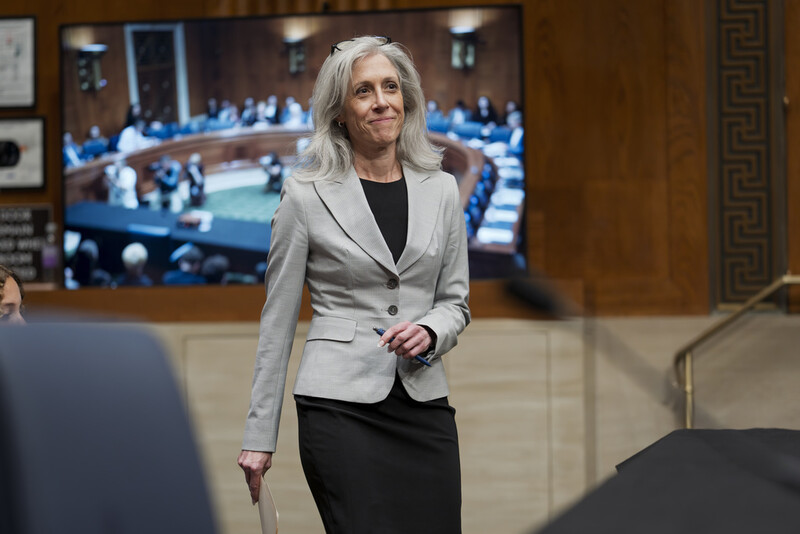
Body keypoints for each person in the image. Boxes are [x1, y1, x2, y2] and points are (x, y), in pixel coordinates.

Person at [237, 35, 471, 533]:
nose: (382, 101)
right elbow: (276, 322)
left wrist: (430, 331)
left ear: (406, 98)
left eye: (391, 86)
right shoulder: (304, 194)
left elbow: (455, 303)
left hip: (423, 406)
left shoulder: (443, 189)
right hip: (338, 410)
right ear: (340, 110)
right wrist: (260, 435)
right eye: (364, 91)